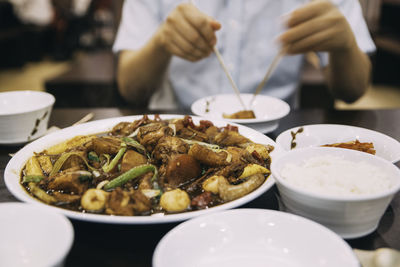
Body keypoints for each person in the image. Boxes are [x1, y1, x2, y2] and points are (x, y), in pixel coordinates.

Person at [113, 0, 375, 110]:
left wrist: (344, 46)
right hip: (175, 128)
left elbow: (353, 90)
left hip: (275, 135)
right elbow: (131, 87)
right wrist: (161, 42)